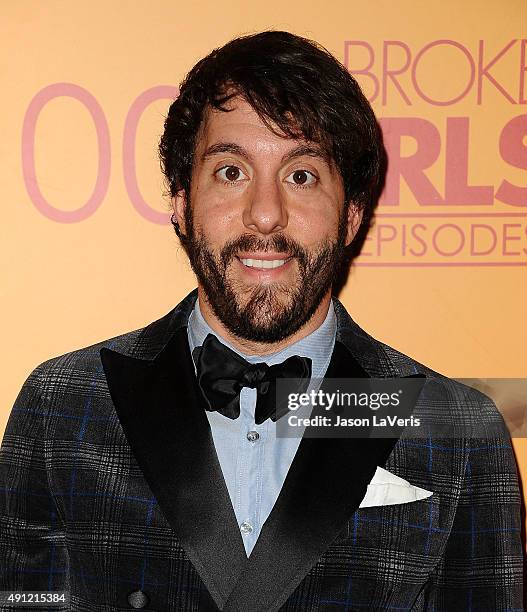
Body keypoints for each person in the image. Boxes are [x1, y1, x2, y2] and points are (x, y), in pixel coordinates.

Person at [0, 30, 523, 612]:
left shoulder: (458, 432)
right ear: (180, 201)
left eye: (301, 175)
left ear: (352, 215)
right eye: (231, 172)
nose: (266, 215)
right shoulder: (62, 407)